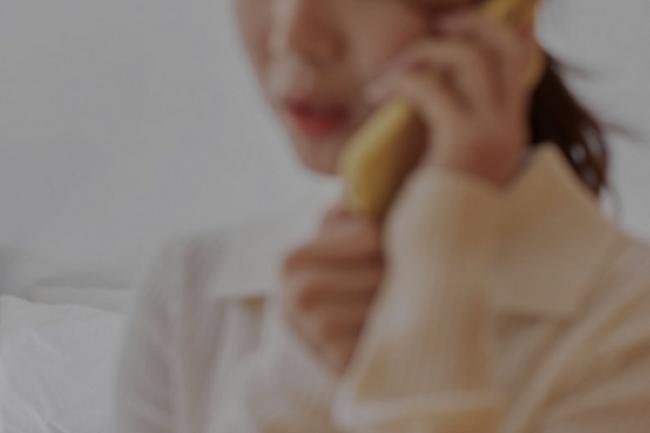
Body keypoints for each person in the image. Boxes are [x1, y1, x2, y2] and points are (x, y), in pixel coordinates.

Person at [115, 1, 650, 432]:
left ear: (510, 24)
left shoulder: (631, 326)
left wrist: (435, 276)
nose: (295, 37)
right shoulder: (187, 288)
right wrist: (298, 381)